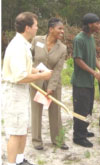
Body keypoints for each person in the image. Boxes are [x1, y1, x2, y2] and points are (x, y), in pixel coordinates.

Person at [2, 12, 52, 165]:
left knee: (22, 129)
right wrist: (42, 77)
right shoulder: (17, 46)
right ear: (28, 28)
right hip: (14, 92)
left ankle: (20, 160)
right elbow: (19, 77)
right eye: (36, 25)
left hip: (21, 92)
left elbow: (25, 69)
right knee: (15, 132)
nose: (38, 28)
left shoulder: (23, 44)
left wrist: (37, 71)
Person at [30, 18, 68, 151]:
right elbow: (29, 58)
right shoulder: (37, 40)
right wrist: (30, 73)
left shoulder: (62, 48)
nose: (62, 31)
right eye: (60, 29)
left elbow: (58, 70)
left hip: (54, 82)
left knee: (55, 111)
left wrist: (51, 87)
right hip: (36, 81)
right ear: (51, 29)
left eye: (63, 29)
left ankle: (58, 140)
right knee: (36, 111)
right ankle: (36, 141)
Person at [71, 13, 100, 148]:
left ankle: (84, 130)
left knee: (88, 108)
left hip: (89, 81)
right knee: (80, 109)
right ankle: (78, 136)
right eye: (98, 23)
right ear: (90, 24)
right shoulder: (79, 39)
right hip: (80, 82)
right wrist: (93, 73)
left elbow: (94, 57)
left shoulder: (91, 38)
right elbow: (78, 60)